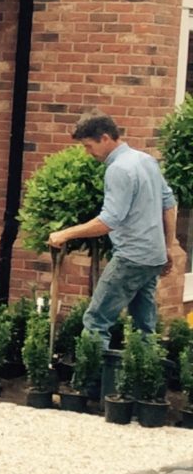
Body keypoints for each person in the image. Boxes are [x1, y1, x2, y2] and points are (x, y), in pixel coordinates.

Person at [47, 111, 179, 341]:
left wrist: (65, 233)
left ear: (106, 138)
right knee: (144, 326)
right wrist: (167, 246)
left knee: (96, 321)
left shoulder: (118, 169)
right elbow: (169, 204)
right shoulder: (145, 160)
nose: (88, 153)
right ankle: (143, 373)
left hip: (131, 257)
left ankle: (92, 376)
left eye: (89, 146)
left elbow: (108, 221)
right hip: (152, 257)